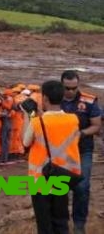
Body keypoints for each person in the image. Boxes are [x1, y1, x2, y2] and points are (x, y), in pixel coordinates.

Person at [23, 80, 81, 234]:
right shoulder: (73, 119)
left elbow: (25, 141)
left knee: (44, 224)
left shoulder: (37, 122)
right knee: (61, 221)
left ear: (45, 98)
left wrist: (27, 116)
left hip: (40, 179)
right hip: (63, 175)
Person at [59, 70, 101, 234]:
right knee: (59, 187)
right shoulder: (53, 99)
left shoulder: (89, 101)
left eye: (73, 88)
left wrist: (81, 133)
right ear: (61, 84)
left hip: (83, 150)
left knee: (82, 187)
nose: (70, 91)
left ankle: (79, 224)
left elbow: (96, 126)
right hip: (60, 151)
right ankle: (61, 223)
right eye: (67, 88)